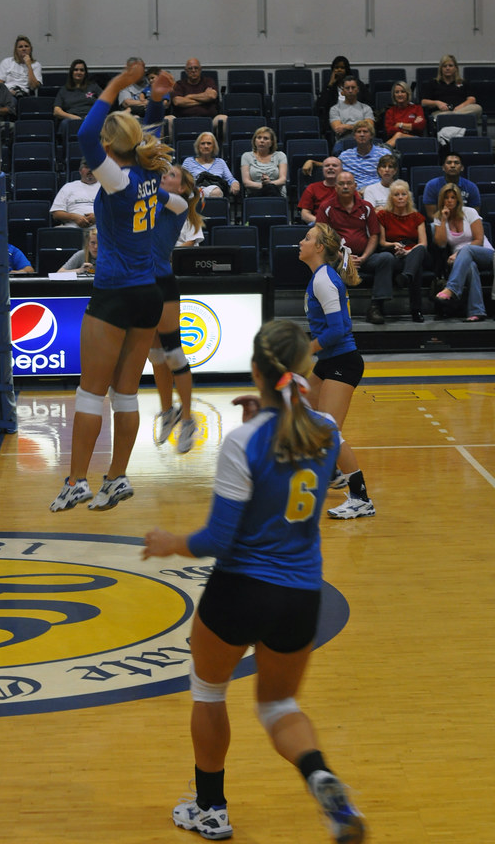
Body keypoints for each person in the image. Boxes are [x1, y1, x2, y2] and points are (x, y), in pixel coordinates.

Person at [142, 320, 366, 844]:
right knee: (278, 706)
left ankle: (211, 809)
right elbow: (294, 445)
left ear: (255, 372)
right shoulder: (327, 432)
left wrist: (171, 542)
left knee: (209, 692)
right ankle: (321, 777)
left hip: (239, 590)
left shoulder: (243, 441)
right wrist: (266, 414)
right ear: (306, 370)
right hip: (299, 597)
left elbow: (219, 538)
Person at [50, 63, 187, 513]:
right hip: (149, 293)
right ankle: (117, 478)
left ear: (109, 147)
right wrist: (157, 101)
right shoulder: (150, 175)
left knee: (90, 392)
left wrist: (117, 84)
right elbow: (149, 151)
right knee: (124, 393)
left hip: (114, 293)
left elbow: (86, 135)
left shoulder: (118, 177)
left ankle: (76, 482)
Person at [299, 224, 375, 519]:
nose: (300, 242)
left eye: (307, 238)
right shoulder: (320, 277)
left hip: (343, 362)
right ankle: (332, 472)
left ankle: (361, 498)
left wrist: (307, 349)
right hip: (331, 361)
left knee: (330, 432)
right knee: (299, 404)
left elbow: (340, 329)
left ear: (319, 248)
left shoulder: (323, 280)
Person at [150, 164, 204, 454]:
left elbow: (148, 190)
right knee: (155, 353)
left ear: (182, 187)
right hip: (140, 282)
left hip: (162, 281)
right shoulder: (150, 200)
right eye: (164, 173)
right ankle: (167, 411)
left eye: (171, 175)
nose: (164, 176)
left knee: (172, 351)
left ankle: (188, 419)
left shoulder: (179, 203)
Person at [315, 171, 395, 325]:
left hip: (364, 257)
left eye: (349, 183)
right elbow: (322, 237)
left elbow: (374, 235)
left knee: (386, 258)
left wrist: (364, 256)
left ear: (355, 186)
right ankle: (333, 312)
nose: (345, 186)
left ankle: (376, 307)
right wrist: (343, 257)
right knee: (324, 267)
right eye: (341, 184)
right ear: (336, 187)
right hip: (337, 258)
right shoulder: (326, 207)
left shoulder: (366, 207)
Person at [433, 183, 493, 322]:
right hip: (463, 260)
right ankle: (476, 311)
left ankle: (452, 289)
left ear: (458, 199)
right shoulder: (439, 217)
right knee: (470, 267)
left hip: (485, 254)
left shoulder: (470, 212)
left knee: (466, 249)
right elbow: (441, 243)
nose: (449, 200)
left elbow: (478, 240)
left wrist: (458, 253)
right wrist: (443, 219)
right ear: (442, 200)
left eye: (453, 197)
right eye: (446, 198)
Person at [377, 180, 428, 323]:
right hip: (394, 253)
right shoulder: (383, 215)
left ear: (408, 197)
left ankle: (406, 276)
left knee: (419, 252)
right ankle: (416, 310)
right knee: (416, 268)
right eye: (396, 194)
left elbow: (423, 243)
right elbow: (381, 242)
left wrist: (407, 252)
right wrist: (393, 245)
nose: (400, 197)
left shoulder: (417, 217)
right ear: (391, 198)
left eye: (403, 194)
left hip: (413, 252)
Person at [171, 58, 227, 139]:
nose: (193, 71)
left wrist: (189, 96)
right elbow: (177, 101)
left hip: (209, 121)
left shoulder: (208, 81)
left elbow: (212, 96)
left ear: (200, 70)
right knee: (167, 119)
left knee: (224, 119)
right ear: (186, 71)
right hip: (183, 121)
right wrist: (204, 99)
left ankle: (222, 150)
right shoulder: (179, 84)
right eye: (190, 68)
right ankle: (170, 150)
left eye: (196, 68)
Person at [315, 55, 371, 133]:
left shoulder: (356, 84)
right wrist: (330, 85)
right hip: (336, 119)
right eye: (337, 68)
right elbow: (320, 105)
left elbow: (367, 101)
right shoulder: (329, 87)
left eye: (342, 68)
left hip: (357, 118)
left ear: (347, 69)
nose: (339, 70)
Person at [421, 54, 482, 123]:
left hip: (462, 110)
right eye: (444, 66)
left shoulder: (464, 82)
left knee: (477, 108)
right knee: (442, 116)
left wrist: (459, 108)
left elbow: (472, 99)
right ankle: (453, 118)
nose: (447, 68)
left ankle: (452, 117)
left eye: (450, 65)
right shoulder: (433, 83)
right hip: (441, 112)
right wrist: (437, 103)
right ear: (441, 69)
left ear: (455, 68)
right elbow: (424, 102)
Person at [421, 152, 481, 221]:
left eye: (456, 163)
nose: (452, 165)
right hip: (440, 222)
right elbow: (431, 214)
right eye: (449, 163)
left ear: (462, 168)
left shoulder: (471, 187)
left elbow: (475, 214)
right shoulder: (432, 185)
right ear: (443, 167)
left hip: (464, 223)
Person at [183, 132, 240, 198]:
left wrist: (235, 183)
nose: (206, 146)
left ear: (214, 147)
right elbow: (182, 180)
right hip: (195, 192)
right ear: (198, 146)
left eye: (209, 143)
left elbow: (230, 179)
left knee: (216, 192)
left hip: (217, 193)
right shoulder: (189, 161)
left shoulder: (220, 162)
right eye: (203, 143)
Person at [338, 119, 389, 189]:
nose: (362, 135)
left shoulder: (383, 154)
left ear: (371, 135)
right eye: (359, 132)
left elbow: (389, 178)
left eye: (365, 132)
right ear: (354, 136)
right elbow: (332, 166)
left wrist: (368, 191)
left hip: (377, 192)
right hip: (352, 193)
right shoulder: (345, 156)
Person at [240, 126, 288, 197]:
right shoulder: (246, 156)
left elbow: (282, 180)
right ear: (254, 141)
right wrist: (265, 186)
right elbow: (246, 182)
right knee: (270, 189)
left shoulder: (280, 155)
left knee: (271, 189)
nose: (262, 141)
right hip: (255, 193)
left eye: (266, 138)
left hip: (277, 193)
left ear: (272, 142)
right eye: (259, 138)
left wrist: (270, 183)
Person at [50, 160, 99, 227]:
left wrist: (98, 217)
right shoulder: (68, 187)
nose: (90, 169)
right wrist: (73, 217)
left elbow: (116, 212)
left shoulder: (106, 188)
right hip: (72, 229)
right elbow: (56, 214)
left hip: (100, 229)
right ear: (80, 171)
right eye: (87, 167)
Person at [328, 77, 373, 147]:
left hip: (364, 141)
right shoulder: (335, 109)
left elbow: (370, 127)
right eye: (347, 88)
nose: (350, 91)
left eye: (353, 87)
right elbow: (337, 129)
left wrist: (347, 127)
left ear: (357, 89)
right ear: (342, 91)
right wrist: (360, 126)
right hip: (343, 142)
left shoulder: (366, 108)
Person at [298, 156, 342, 224]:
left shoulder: (348, 188)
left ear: (341, 169)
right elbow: (305, 214)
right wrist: (323, 223)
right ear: (323, 170)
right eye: (327, 166)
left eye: (334, 165)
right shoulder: (312, 188)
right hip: (319, 225)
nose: (330, 168)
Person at [383, 80, 426, 146]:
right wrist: (410, 127)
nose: (400, 94)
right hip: (396, 142)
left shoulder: (417, 108)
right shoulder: (390, 111)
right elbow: (389, 131)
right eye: (397, 92)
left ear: (407, 93)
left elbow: (420, 126)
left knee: (399, 135)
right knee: (398, 135)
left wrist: (399, 125)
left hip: (415, 140)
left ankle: (382, 151)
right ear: (394, 95)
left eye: (403, 92)